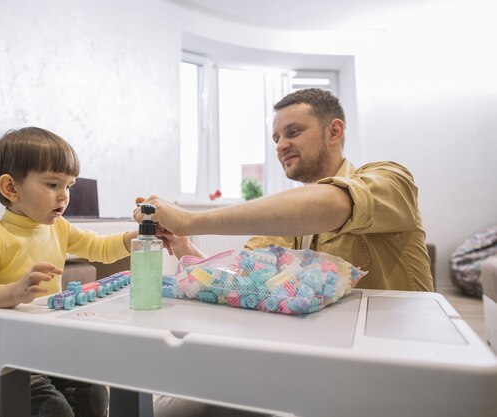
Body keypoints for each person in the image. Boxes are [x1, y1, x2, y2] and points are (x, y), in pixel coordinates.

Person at [135, 88, 433, 417]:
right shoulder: (285, 215)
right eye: (276, 137)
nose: (280, 146)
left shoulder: (390, 179)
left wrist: (190, 220)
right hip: (306, 360)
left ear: (334, 131)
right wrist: (183, 245)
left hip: (387, 368)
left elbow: (334, 203)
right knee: (172, 406)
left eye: (293, 132)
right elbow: (241, 278)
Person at [0, 127, 137, 417]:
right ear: (11, 188)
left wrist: (135, 238)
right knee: (53, 410)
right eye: (53, 184)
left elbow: (99, 247)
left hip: (44, 343)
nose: (64, 196)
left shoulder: (59, 228)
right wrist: (13, 292)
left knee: (94, 394)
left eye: (69, 186)